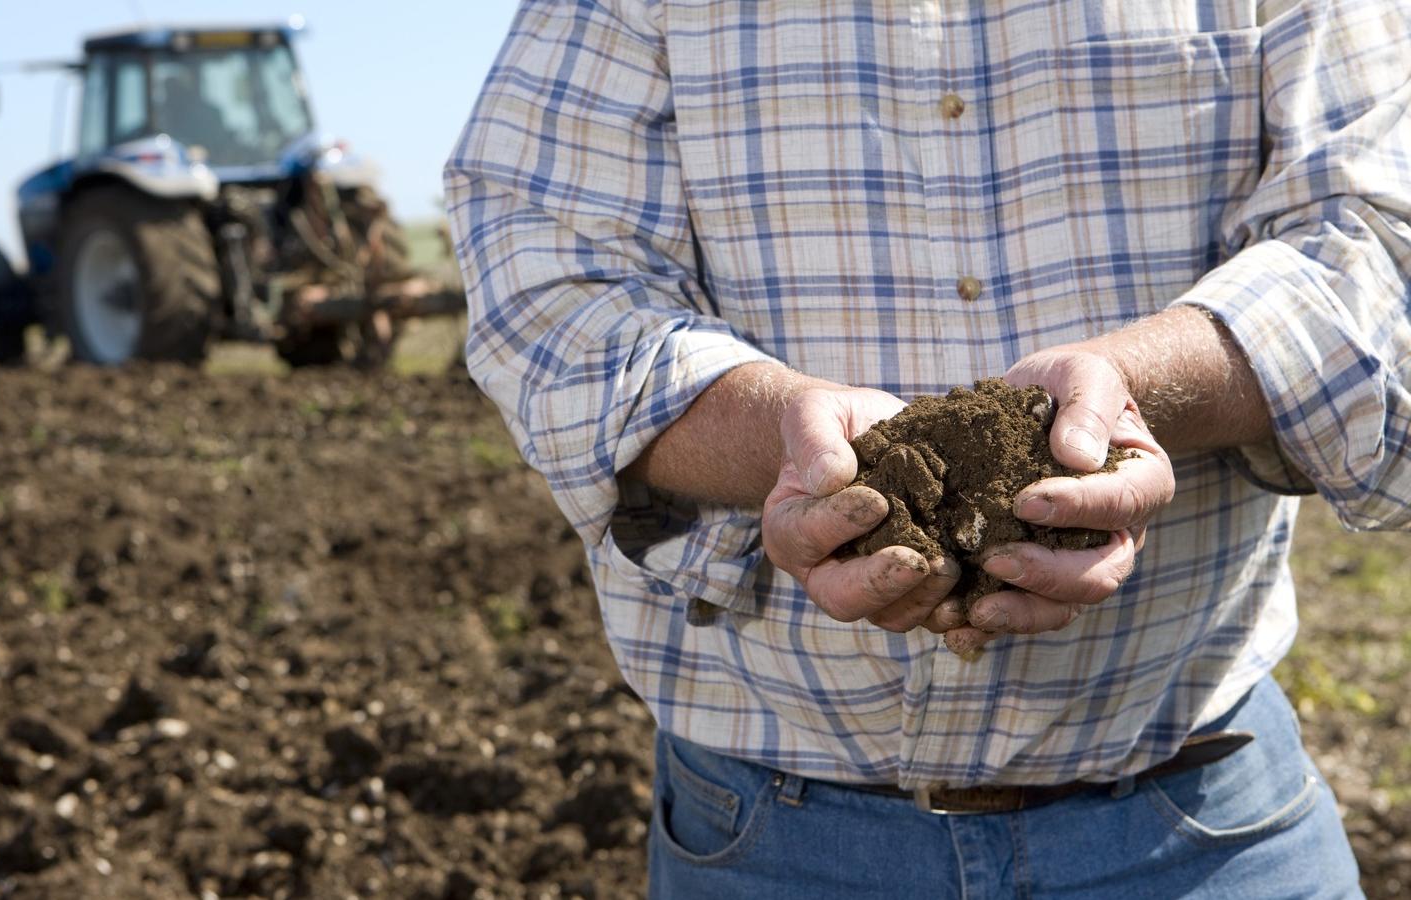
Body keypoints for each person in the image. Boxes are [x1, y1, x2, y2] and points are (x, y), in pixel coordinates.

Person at [445, 1, 1410, 896]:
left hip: (1201, 820)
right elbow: (548, 279)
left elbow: (1378, 228)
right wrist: (782, 433)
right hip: (772, 840)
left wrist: (1136, 391)